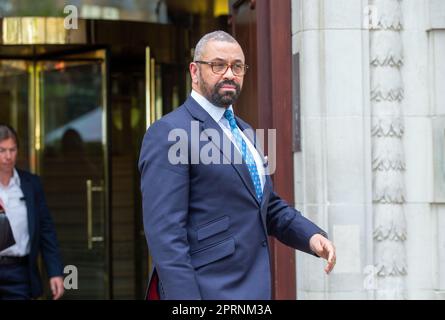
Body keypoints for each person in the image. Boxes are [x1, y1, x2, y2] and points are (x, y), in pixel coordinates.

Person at [139, 31, 336, 300]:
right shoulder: (169, 133)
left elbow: (266, 206)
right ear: (195, 72)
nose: (230, 74)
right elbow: (166, 237)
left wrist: (311, 236)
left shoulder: (244, 130)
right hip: (208, 291)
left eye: (238, 66)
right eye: (218, 65)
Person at [0, 124, 64, 300]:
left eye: (12, 150)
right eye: (2, 150)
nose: (7, 156)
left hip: (20, 272)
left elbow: (46, 231)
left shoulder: (31, 184)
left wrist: (55, 272)